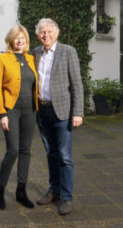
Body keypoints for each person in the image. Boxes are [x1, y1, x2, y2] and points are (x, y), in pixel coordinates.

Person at [32, 17, 83, 216]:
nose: (46, 35)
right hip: (42, 110)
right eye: (42, 32)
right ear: (38, 35)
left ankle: (66, 198)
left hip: (62, 111)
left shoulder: (68, 51)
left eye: (49, 31)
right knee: (50, 154)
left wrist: (77, 112)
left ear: (56, 33)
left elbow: (77, 84)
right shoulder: (35, 53)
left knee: (65, 157)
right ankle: (54, 190)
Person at [0, 24, 38, 210]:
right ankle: (0, 190)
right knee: (13, 151)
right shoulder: (2, 59)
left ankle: (21, 191)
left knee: (26, 150)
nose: (20, 40)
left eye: (23, 37)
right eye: (17, 37)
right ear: (11, 40)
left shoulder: (32, 59)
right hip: (11, 110)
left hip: (30, 111)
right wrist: (2, 113)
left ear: (27, 40)